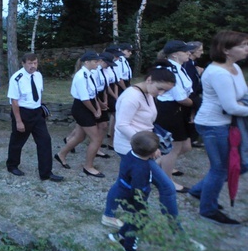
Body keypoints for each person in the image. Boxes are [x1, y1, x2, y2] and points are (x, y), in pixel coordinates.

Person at [102, 67, 177, 229]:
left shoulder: (147, 93)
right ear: (149, 80)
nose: (161, 93)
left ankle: (109, 215)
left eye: (166, 91)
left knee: (122, 183)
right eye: (160, 89)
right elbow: (122, 125)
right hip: (133, 149)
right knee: (167, 187)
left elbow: (143, 122)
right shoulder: (132, 96)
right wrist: (147, 146)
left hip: (140, 146)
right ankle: (175, 230)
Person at [189, 31, 248, 225]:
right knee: (221, 169)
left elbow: (240, 97)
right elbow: (230, 106)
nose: (246, 48)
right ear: (226, 50)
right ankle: (208, 209)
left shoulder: (235, 68)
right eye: (242, 45)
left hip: (226, 122)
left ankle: (199, 191)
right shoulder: (218, 73)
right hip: (213, 125)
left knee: (239, 164)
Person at [5, 53, 63, 182]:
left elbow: (39, 93)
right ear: (23, 63)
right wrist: (19, 121)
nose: (33, 66)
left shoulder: (38, 75)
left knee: (45, 141)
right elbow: (14, 101)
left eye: (35, 63)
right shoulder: (16, 78)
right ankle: (12, 165)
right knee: (17, 141)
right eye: (30, 63)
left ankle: (46, 173)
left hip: (37, 113)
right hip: (22, 112)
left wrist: (41, 107)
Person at [107, 131, 162, 251]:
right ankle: (129, 245)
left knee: (133, 217)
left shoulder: (130, 154)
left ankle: (118, 235)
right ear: (152, 153)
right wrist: (140, 205)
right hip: (133, 197)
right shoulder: (141, 169)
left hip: (123, 192)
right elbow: (138, 189)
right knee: (138, 220)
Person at [55, 51, 106, 177]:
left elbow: (93, 93)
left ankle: (61, 154)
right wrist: (94, 111)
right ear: (87, 62)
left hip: (89, 106)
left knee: (79, 137)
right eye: (95, 61)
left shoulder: (90, 74)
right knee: (96, 139)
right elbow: (84, 99)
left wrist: (98, 107)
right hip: (82, 108)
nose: (97, 63)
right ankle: (88, 167)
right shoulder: (80, 76)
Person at [154, 41, 196, 193]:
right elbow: (180, 98)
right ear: (174, 54)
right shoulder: (169, 69)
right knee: (173, 148)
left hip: (178, 109)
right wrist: (198, 103)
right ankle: (167, 182)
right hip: (170, 110)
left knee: (186, 146)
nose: (189, 53)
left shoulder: (178, 67)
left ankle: (152, 169)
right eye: (185, 51)